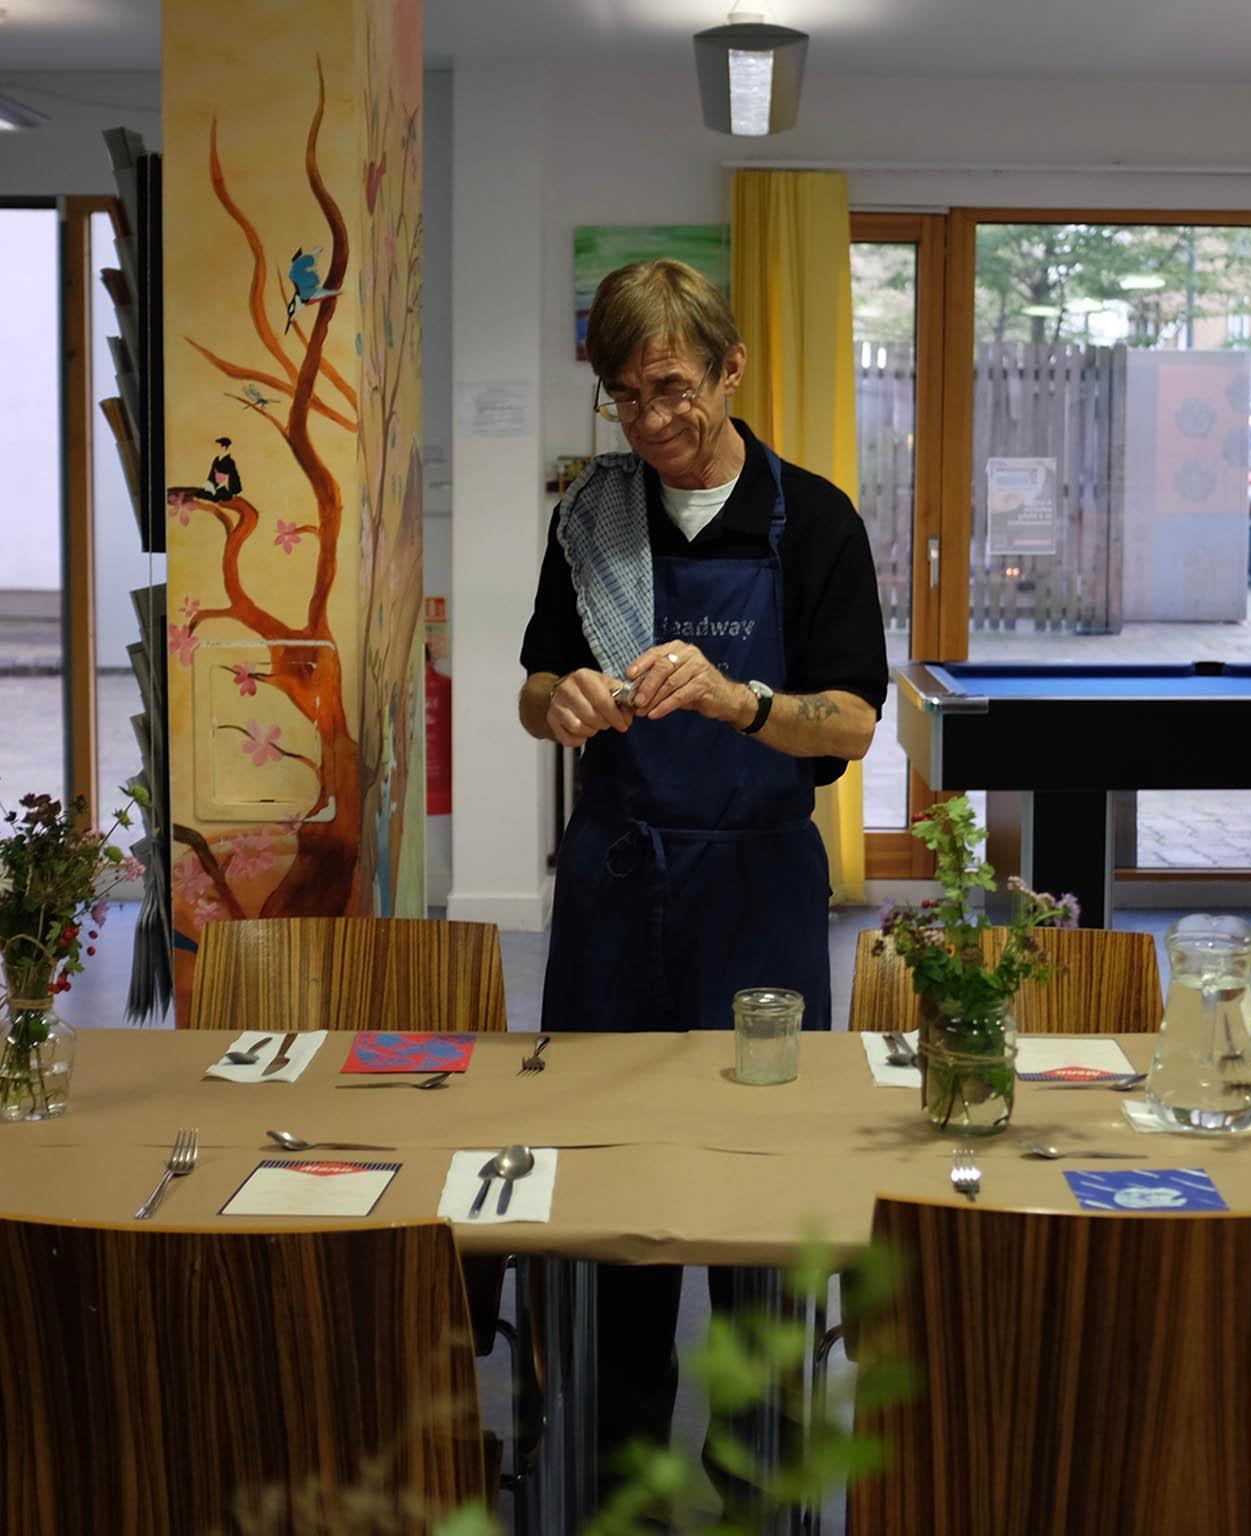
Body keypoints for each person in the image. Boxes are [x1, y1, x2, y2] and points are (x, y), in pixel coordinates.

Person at [516, 257, 887, 1504]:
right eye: (624, 398)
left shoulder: (811, 519)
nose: (652, 422)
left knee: (761, 1192)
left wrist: (744, 702)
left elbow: (847, 726)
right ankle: (616, 1473)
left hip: (756, 896)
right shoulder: (591, 520)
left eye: (672, 389)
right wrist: (554, 699)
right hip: (616, 886)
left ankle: (755, 1481)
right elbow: (532, 685)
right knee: (608, 1182)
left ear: (730, 370)